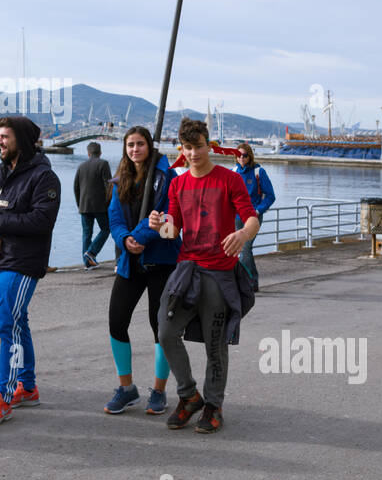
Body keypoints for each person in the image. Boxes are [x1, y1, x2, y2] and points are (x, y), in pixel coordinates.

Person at [148, 118, 259, 435]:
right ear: (181, 150)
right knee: (166, 330)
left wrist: (242, 234)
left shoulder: (229, 179)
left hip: (219, 272)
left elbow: (251, 218)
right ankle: (188, 395)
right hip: (187, 270)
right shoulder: (177, 184)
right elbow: (173, 232)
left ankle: (213, 405)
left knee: (215, 344)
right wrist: (159, 225)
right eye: (188, 147)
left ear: (208, 145)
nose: (194, 153)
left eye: (199, 146)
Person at [0, 115, 62, 424]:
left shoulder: (44, 178)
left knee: (8, 325)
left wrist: (0, 222)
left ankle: (5, 395)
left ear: (21, 141)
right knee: (17, 320)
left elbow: (42, 221)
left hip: (24, 263)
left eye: (5, 137)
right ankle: (28, 385)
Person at [103, 126, 179, 415]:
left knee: (160, 328)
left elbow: (166, 217)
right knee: (116, 321)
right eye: (130, 144)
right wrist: (125, 239)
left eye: (140, 144)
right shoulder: (120, 179)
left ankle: (158, 391)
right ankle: (126, 388)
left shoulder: (167, 177)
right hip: (129, 261)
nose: (135, 149)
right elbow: (113, 217)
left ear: (150, 146)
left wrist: (140, 237)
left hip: (162, 262)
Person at [233, 142, 275, 291]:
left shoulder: (259, 172)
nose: (241, 158)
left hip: (253, 217)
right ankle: (252, 282)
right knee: (242, 250)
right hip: (236, 217)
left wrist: (258, 211)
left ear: (249, 156)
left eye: (244, 155)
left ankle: (246, 283)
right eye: (238, 155)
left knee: (245, 249)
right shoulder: (234, 171)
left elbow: (270, 196)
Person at [74, 142, 112, 269]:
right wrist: (109, 203)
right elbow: (109, 186)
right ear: (100, 153)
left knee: (86, 233)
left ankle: (87, 264)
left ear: (88, 153)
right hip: (100, 205)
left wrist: (79, 204)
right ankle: (91, 252)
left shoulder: (81, 166)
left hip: (84, 206)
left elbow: (76, 188)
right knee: (106, 229)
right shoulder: (103, 164)